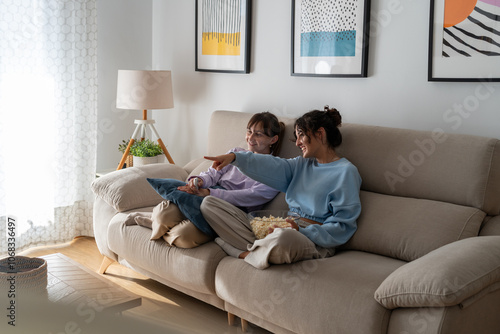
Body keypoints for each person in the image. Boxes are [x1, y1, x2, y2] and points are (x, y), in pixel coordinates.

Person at [201, 106, 362, 269]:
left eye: (301, 136)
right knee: (209, 204)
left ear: (320, 134)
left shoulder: (346, 172)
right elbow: (270, 165)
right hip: (284, 225)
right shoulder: (300, 165)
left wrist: (300, 230)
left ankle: (242, 251)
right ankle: (261, 250)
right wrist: (234, 157)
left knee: (283, 239)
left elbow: (343, 226)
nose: (298, 143)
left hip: (311, 238)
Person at [132, 111, 286, 249]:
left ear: (273, 140)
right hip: (207, 194)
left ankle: (155, 225)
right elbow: (213, 173)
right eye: (249, 131)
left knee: (183, 237)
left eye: (258, 134)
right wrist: (198, 182)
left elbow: (249, 196)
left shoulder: (276, 171)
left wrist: (209, 193)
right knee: (164, 214)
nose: (250, 138)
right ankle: (156, 221)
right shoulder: (235, 153)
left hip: (229, 211)